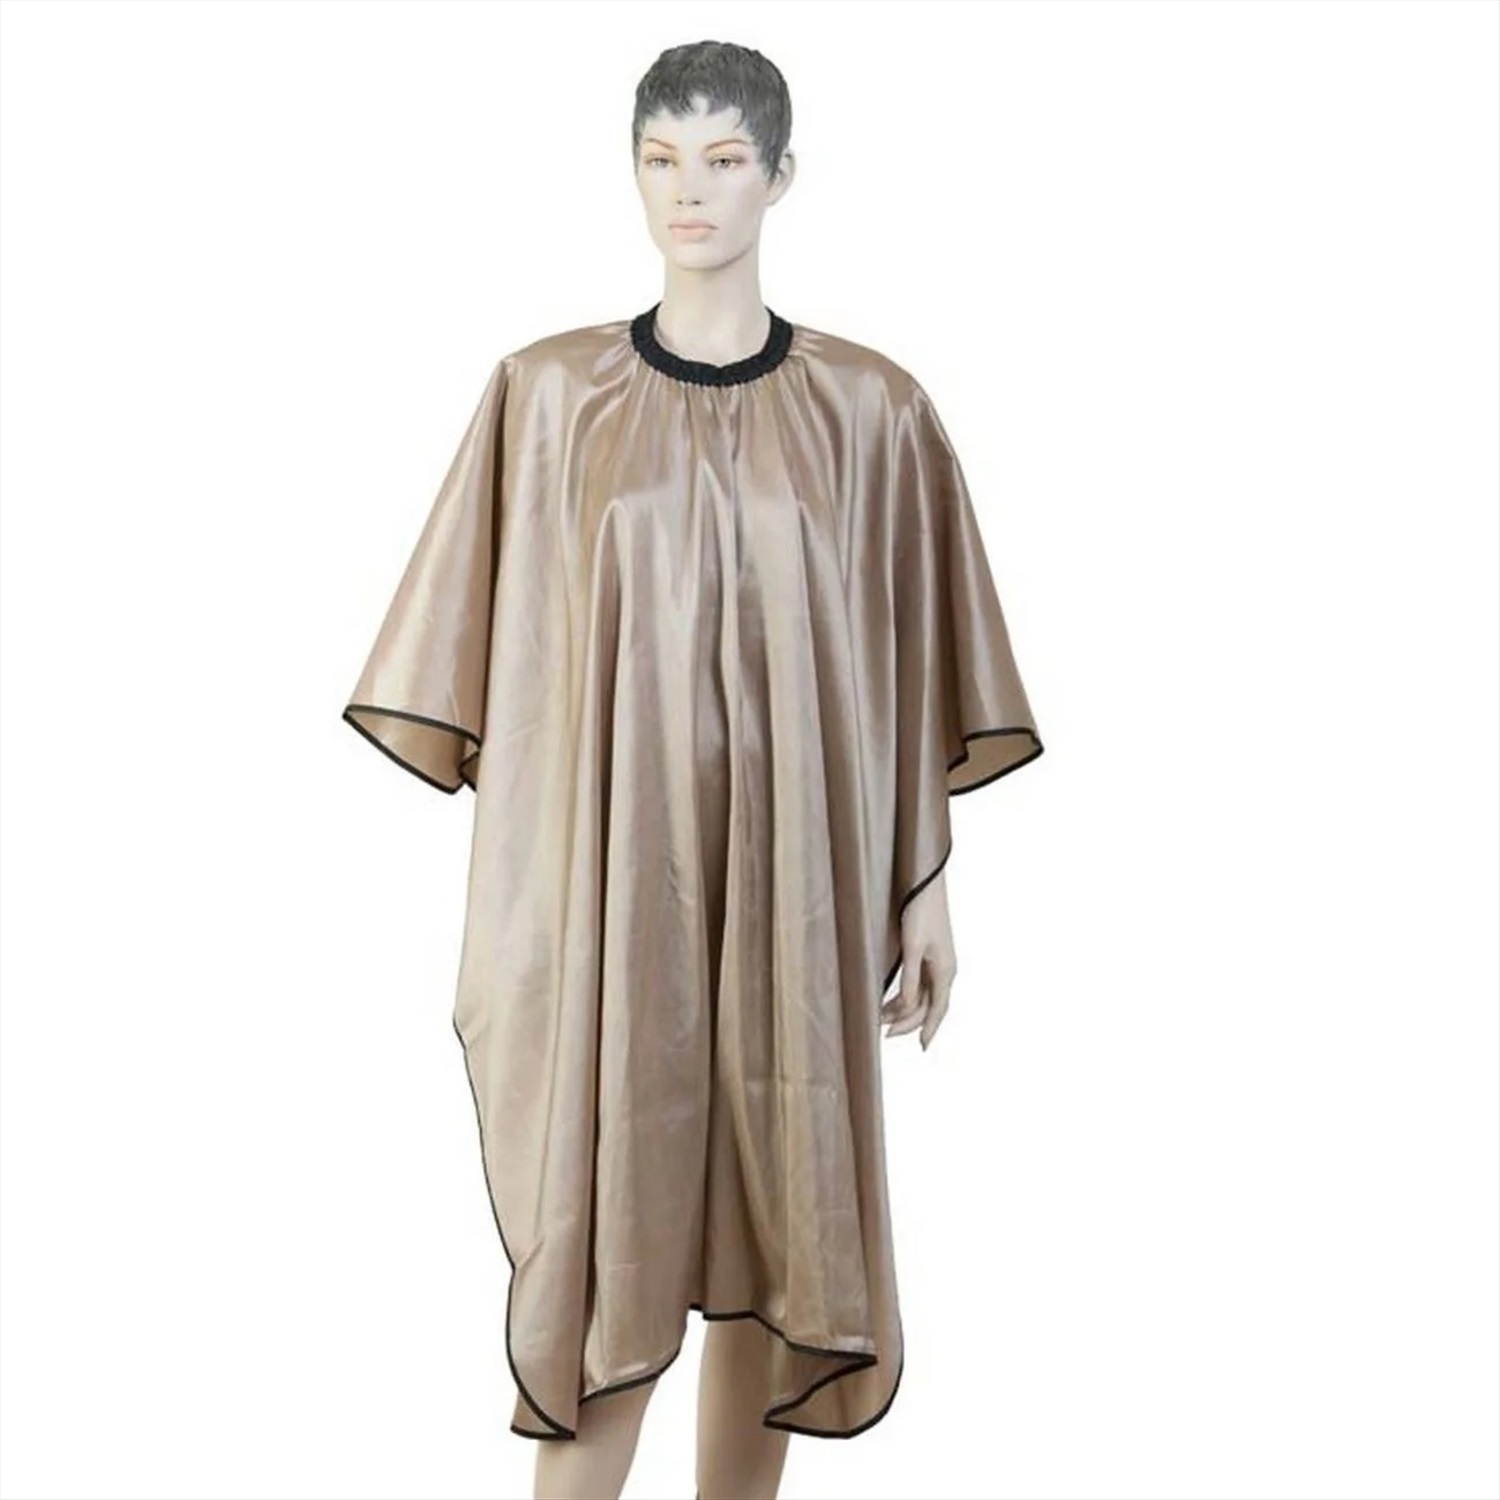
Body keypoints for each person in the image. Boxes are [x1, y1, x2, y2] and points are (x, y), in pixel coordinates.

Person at [341, 39, 1044, 1500]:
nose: (691, 192)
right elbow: (498, 661)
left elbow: (909, 658)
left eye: (724, 160)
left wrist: (925, 886)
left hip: (804, 883)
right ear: (633, 171)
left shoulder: (873, 412)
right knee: (618, 1217)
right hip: (618, 887)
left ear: (781, 176)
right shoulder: (548, 398)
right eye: (663, 159)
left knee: (782, 1219)